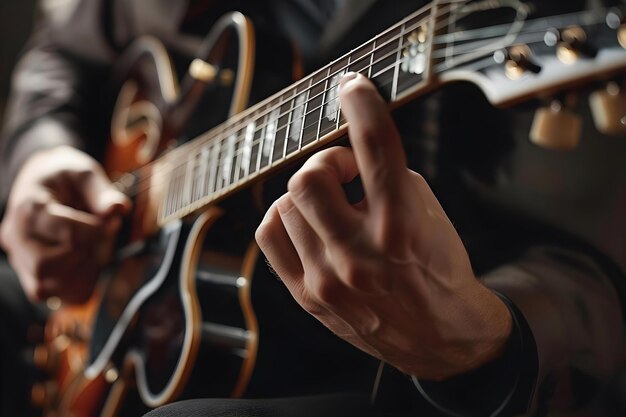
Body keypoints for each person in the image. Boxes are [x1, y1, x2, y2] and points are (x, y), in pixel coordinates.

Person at [1, 0, 625, 416]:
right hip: (93, 285)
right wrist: (39, 160)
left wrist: (480, 345)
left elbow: (595, 273)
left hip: (371, 363)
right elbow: (62, 49)